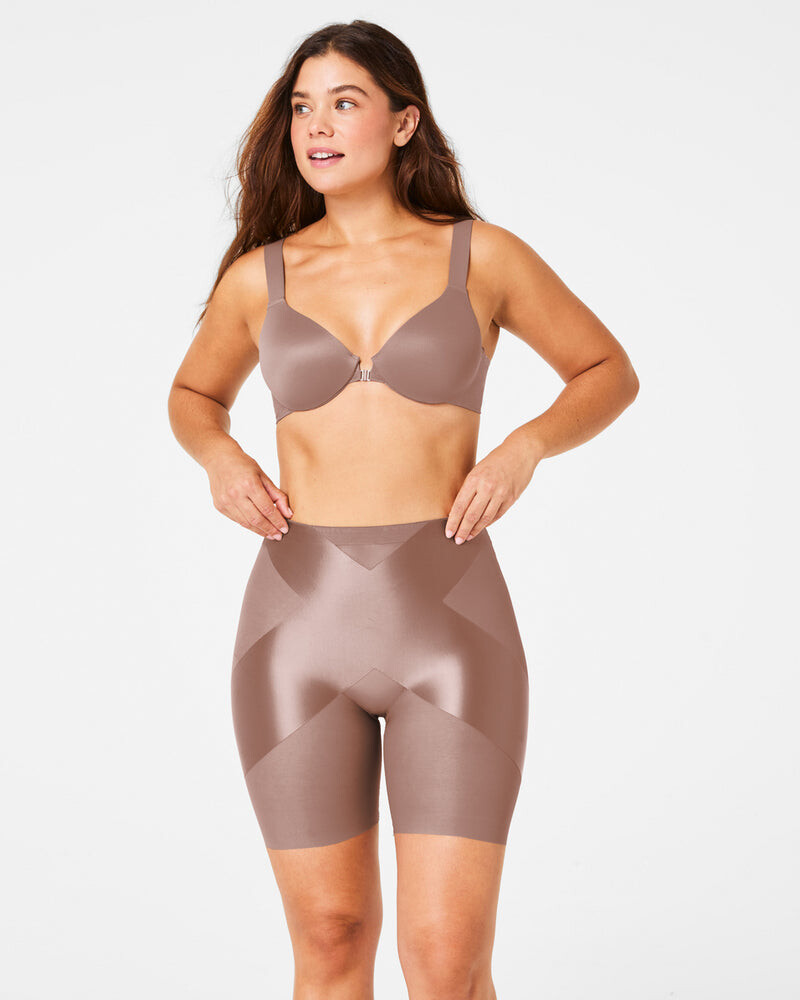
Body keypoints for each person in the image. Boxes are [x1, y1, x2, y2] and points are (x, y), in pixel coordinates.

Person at [167, 19, 639, 1000]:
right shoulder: (261, 276)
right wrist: (219, 456)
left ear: (403, 122)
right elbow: (193, 395)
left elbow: (605, 370)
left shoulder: (482, 256)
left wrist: (524, 446)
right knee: (330, 940)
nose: (316, 126)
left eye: (344, 103)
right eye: (302, 107)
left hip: (452, 625)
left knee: (444, 959)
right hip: (293, 630)